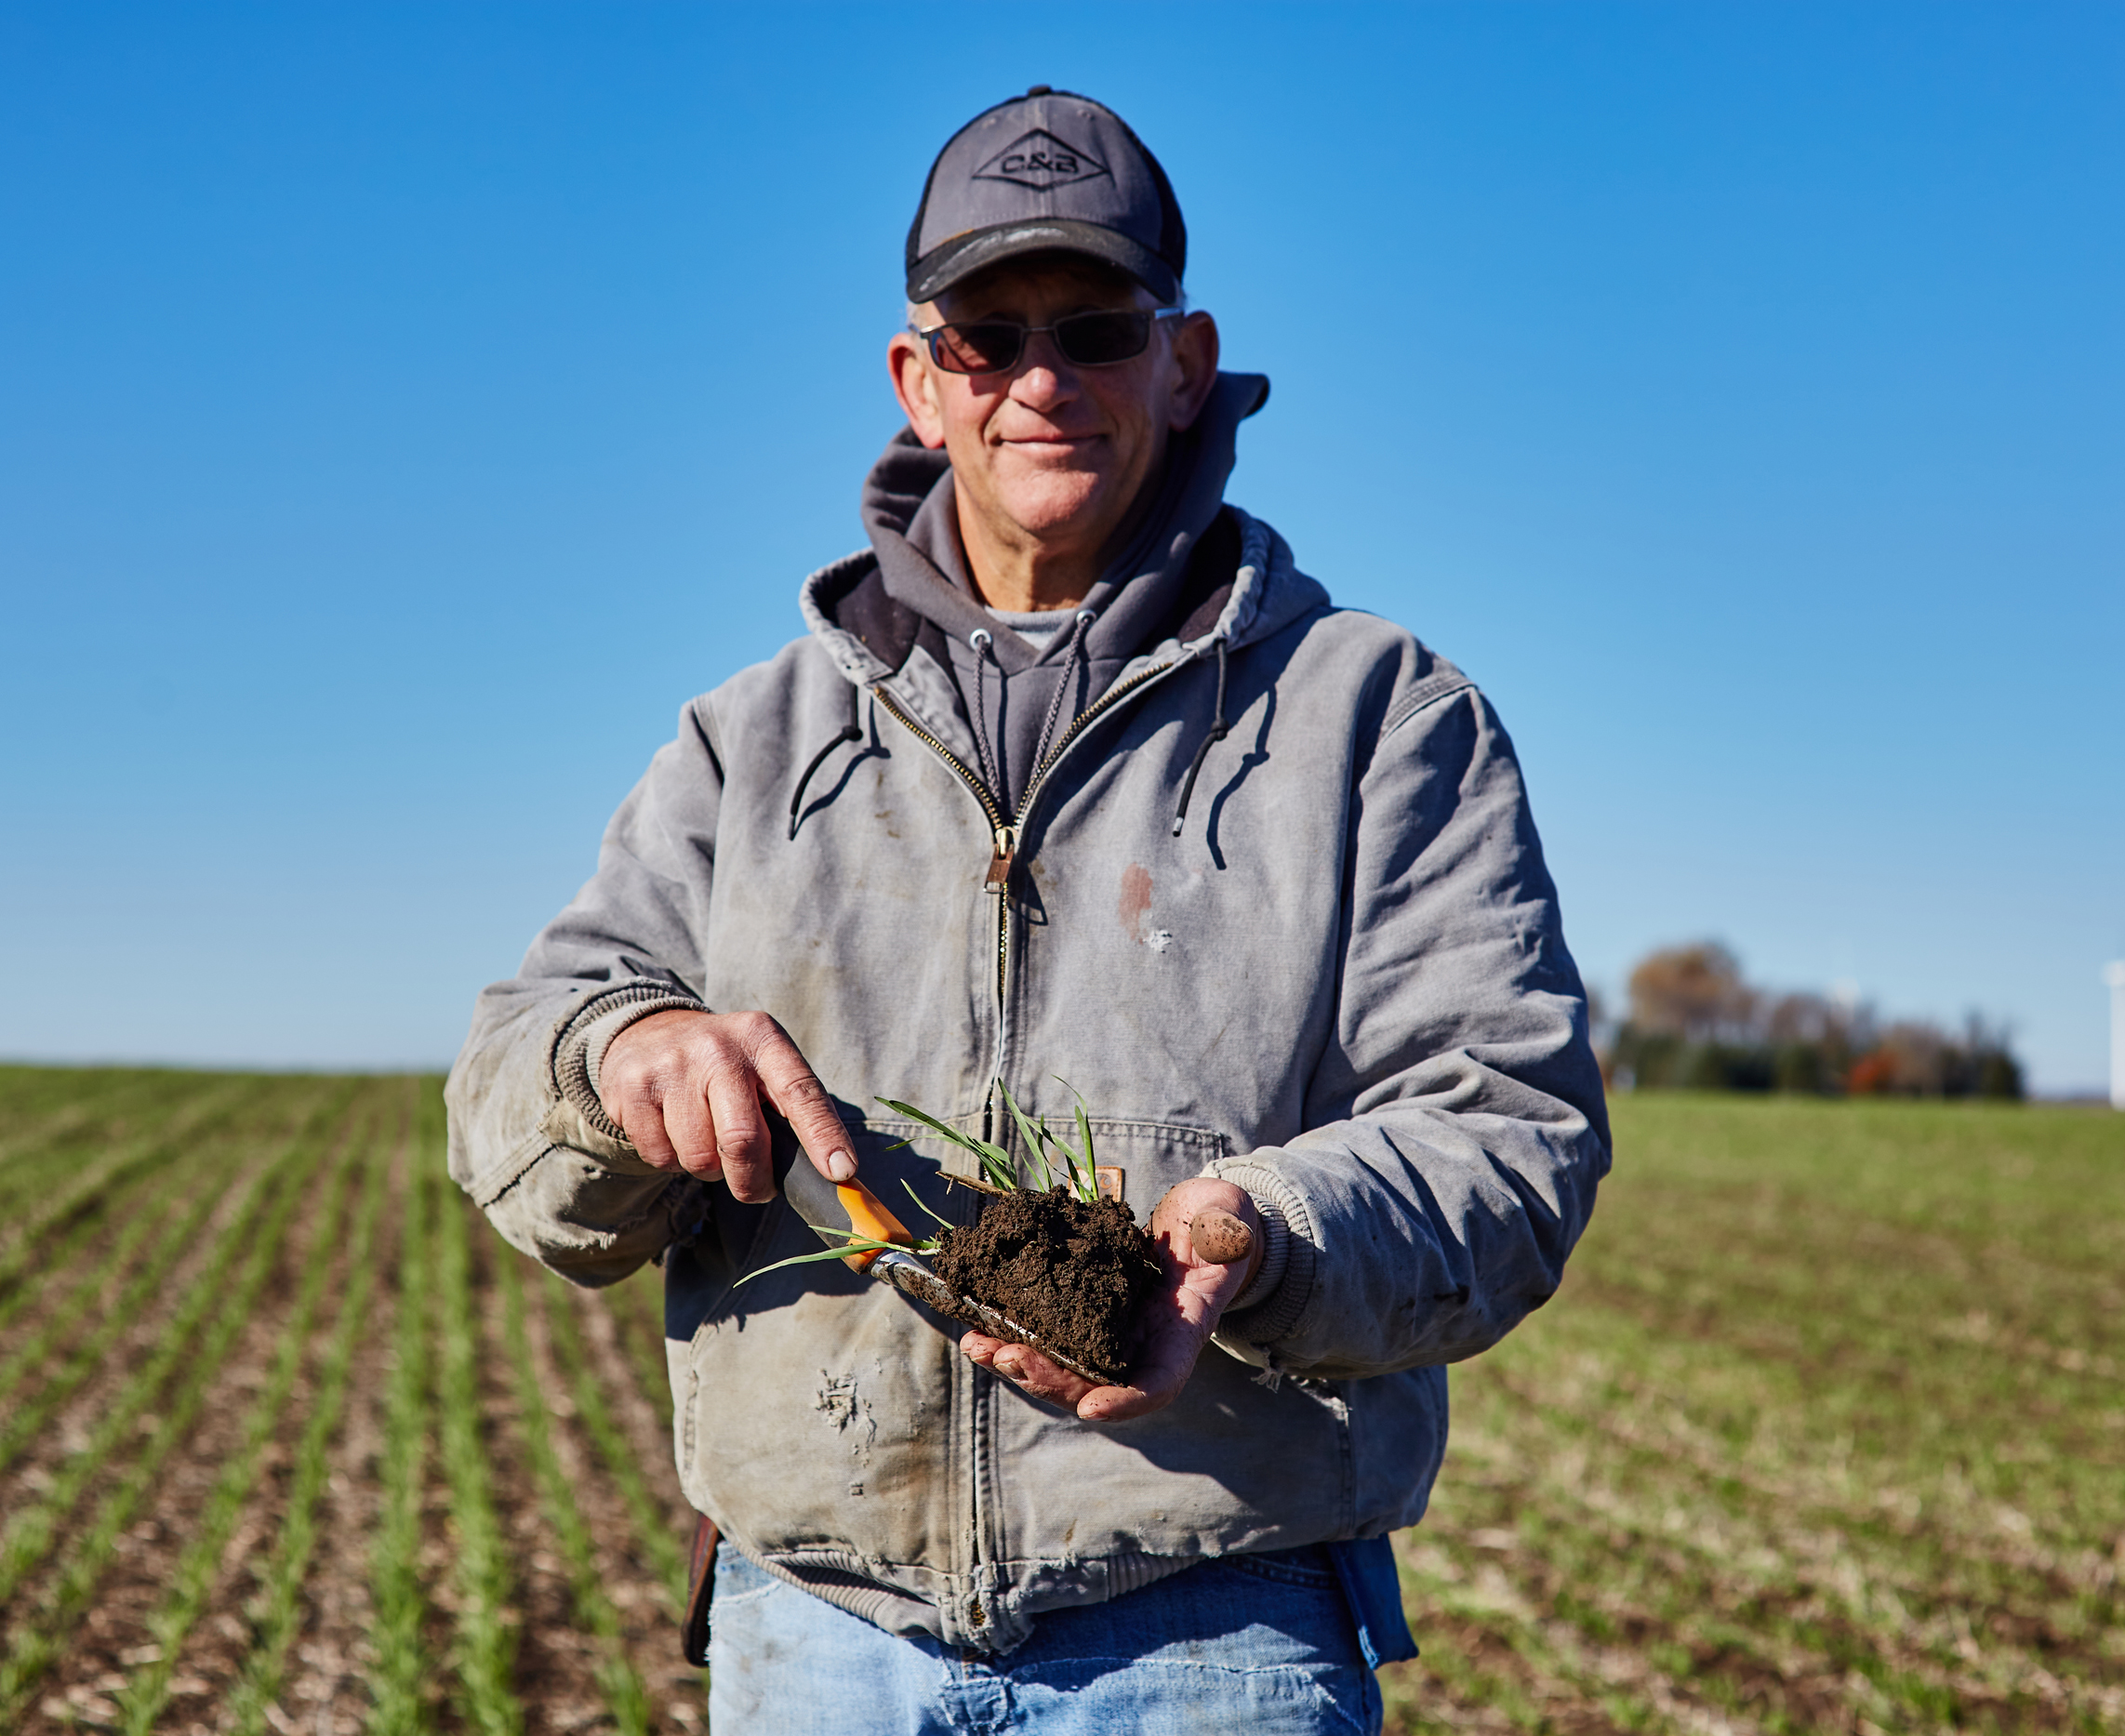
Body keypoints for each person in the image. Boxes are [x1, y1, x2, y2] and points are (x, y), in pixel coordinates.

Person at [447, 86, 1610, 1733]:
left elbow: (1507, 1131)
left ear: (1184, 360)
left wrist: (1256, 1242)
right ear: (921, 386)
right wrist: (622, 1062)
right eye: (988, 339)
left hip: (1219, 1630)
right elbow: (513, 1073)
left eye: (1097, 326)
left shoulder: (1378, 717)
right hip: (815, 1639)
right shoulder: (752, 739)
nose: (1042, 381)